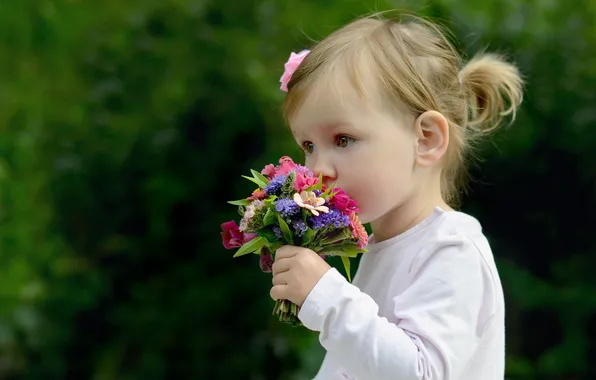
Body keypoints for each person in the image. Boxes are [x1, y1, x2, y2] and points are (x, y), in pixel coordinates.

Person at [269, 11, 523, 380]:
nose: (317, 168)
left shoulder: (452, 250)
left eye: (343, 139)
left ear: (426, 140)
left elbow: (421, 372)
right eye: (308, 145)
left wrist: (327, 298)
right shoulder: (383, 246)